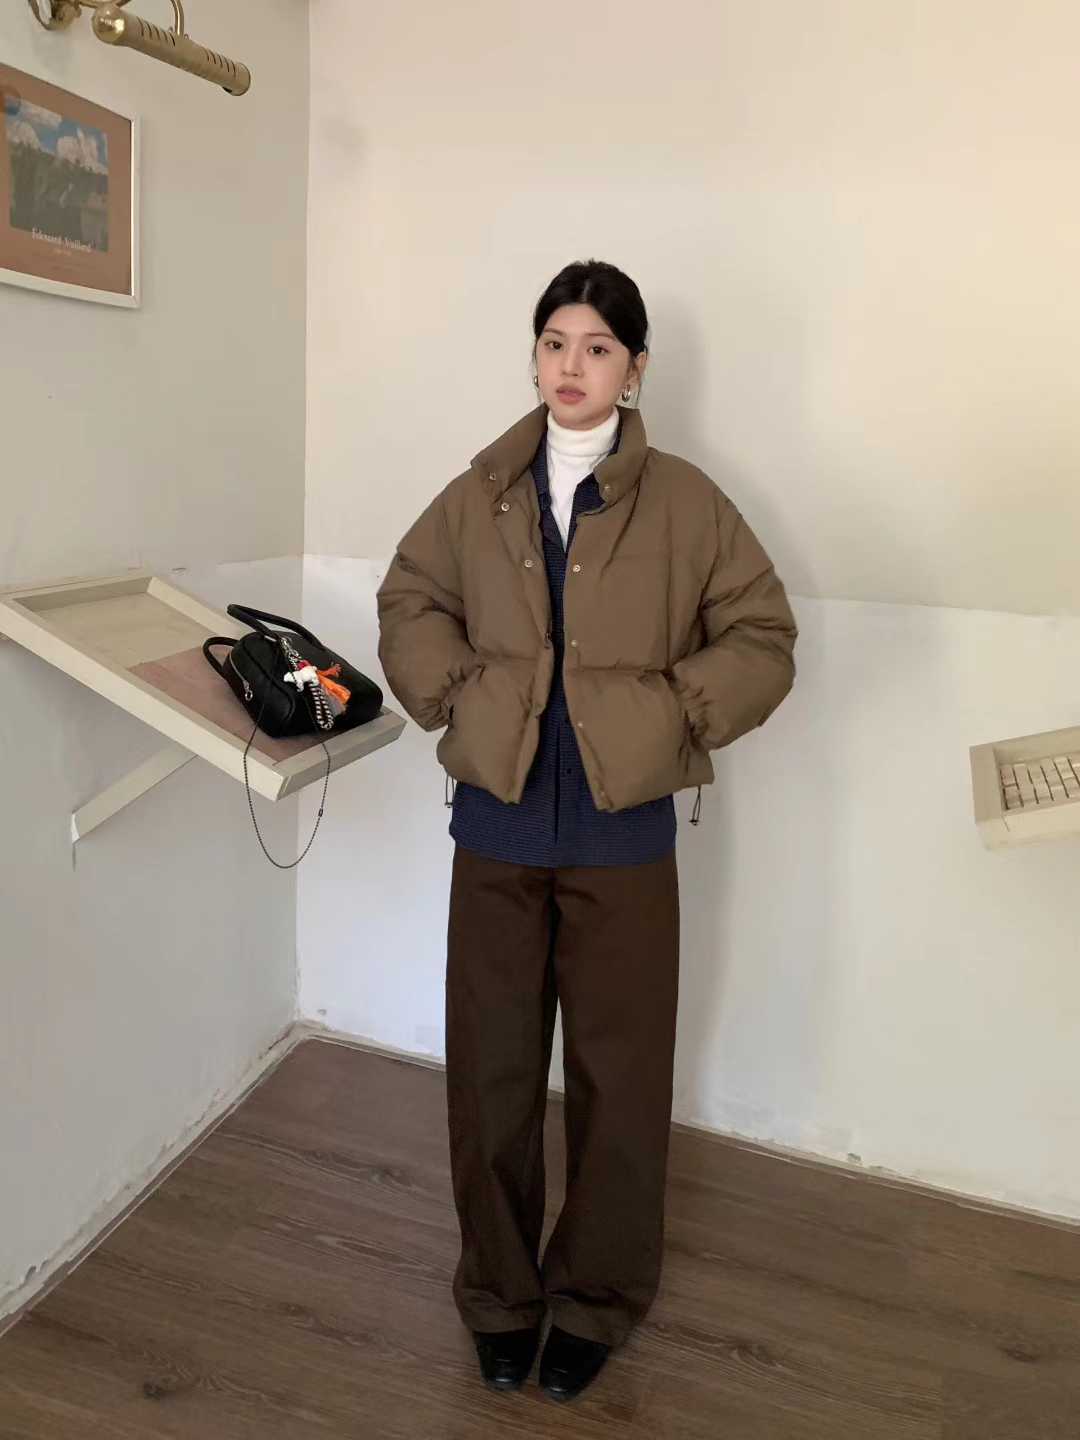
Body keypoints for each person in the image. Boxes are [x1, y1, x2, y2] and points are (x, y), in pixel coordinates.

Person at [375, 259, 798, 1402]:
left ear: (635, 367)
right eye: (555, 342)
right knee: (492, 1074)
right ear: (534, 358)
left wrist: (670, 718)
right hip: (498, 827)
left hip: (625, 838)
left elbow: (762, 635)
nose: (572, 364)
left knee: (620, 1078)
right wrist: (461, 697)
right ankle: (498, 1296)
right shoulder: (479, 492)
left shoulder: (690, 502)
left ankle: (599, 1300)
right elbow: (410, 599)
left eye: (598, 346)